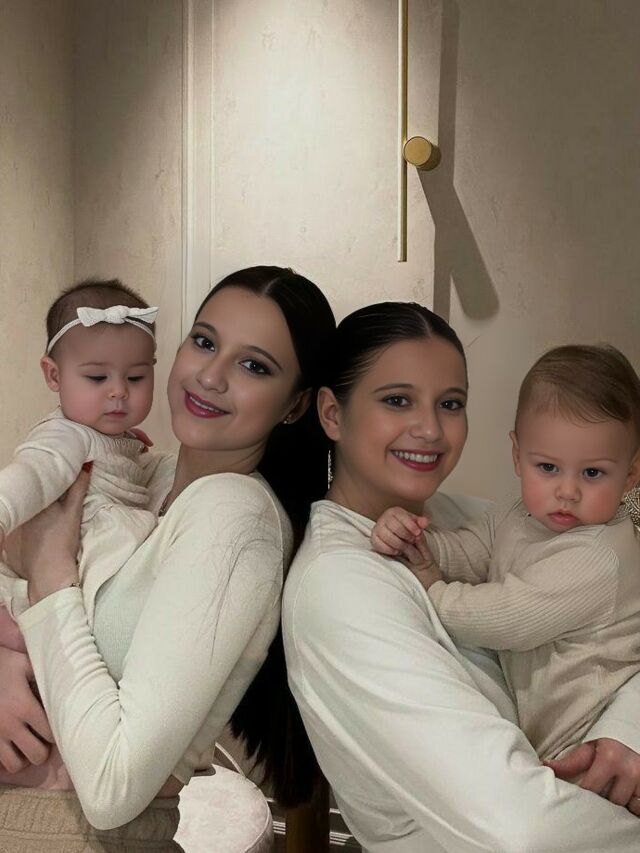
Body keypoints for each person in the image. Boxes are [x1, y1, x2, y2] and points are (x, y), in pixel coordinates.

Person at [283, 302, 640, 853]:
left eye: (450, 404)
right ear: (332, 414)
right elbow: (523, 830)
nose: (430, 429)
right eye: (397, 400)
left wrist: (627, 730)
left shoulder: (473, 515)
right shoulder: (338, 587)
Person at [0, 266, 334, 851]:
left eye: (254, 366)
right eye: (204, 342)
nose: (210, 376)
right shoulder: (143, 478)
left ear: (295, 404)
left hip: (62, 831)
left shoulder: (234, 515)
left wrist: (51, 573)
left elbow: (112, 789)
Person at [371, 344, 640, 762]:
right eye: (547, 468)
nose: (567, 491)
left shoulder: (598, 557)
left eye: (593, 473)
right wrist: (415, 541)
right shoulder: (518, 514)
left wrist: (434, 588)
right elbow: (471, 550)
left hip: (590, 738)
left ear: (631, 475)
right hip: (548, 734)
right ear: (518, 456)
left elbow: (506, 617)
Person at [0, 279, 158, 626]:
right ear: (54, 376)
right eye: (97, 377)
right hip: (78, 548)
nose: (119, 391)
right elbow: (34, 473)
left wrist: (127, 441)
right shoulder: (64, 436)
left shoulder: (101, 431)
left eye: (135, 378)